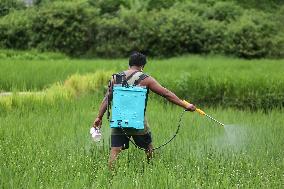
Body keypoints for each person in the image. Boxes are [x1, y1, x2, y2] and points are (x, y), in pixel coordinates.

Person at [93, 52, 196, 169]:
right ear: (142, 66)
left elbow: (107, 98)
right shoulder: (146, 79)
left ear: (129, 64)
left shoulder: (115, 78)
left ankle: (110, 178)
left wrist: (99, 117)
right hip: (138, 122)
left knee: (115, 150)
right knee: (148, 148)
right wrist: (185, 105)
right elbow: (166, 94)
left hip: (119, 121)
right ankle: (150, 170)